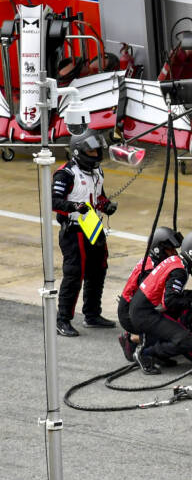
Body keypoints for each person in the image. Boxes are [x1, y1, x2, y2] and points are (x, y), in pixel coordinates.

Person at [51, 129, 117, 337]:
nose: (96, 155)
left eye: (97, 150)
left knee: (99, 270)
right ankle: (62, 320)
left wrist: (106, 206)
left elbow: (99, 197)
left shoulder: (98, 172)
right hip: (74, 230)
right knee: (74, 274)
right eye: (91, 152)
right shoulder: (65, 174)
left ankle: (92, 314)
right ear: (79, 152)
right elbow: (53, 202)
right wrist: (73, 206)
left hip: (93, 227)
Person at [130, 228, 192, 374]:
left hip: (144, 308)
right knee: (188, 341)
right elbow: (170, 301)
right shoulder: (180, 271)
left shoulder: (177, 261)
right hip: (144, 314)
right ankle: (145, 353)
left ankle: (158, 350)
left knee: (191, 298)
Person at [117, 227, 183, 362]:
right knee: (168, 326)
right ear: (159, 249)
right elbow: (149, 302)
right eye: (170, 250)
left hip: (133, 307)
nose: (174, 253)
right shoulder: (149, 268)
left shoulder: (153, 261)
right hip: (129, 313)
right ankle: (133, 339)